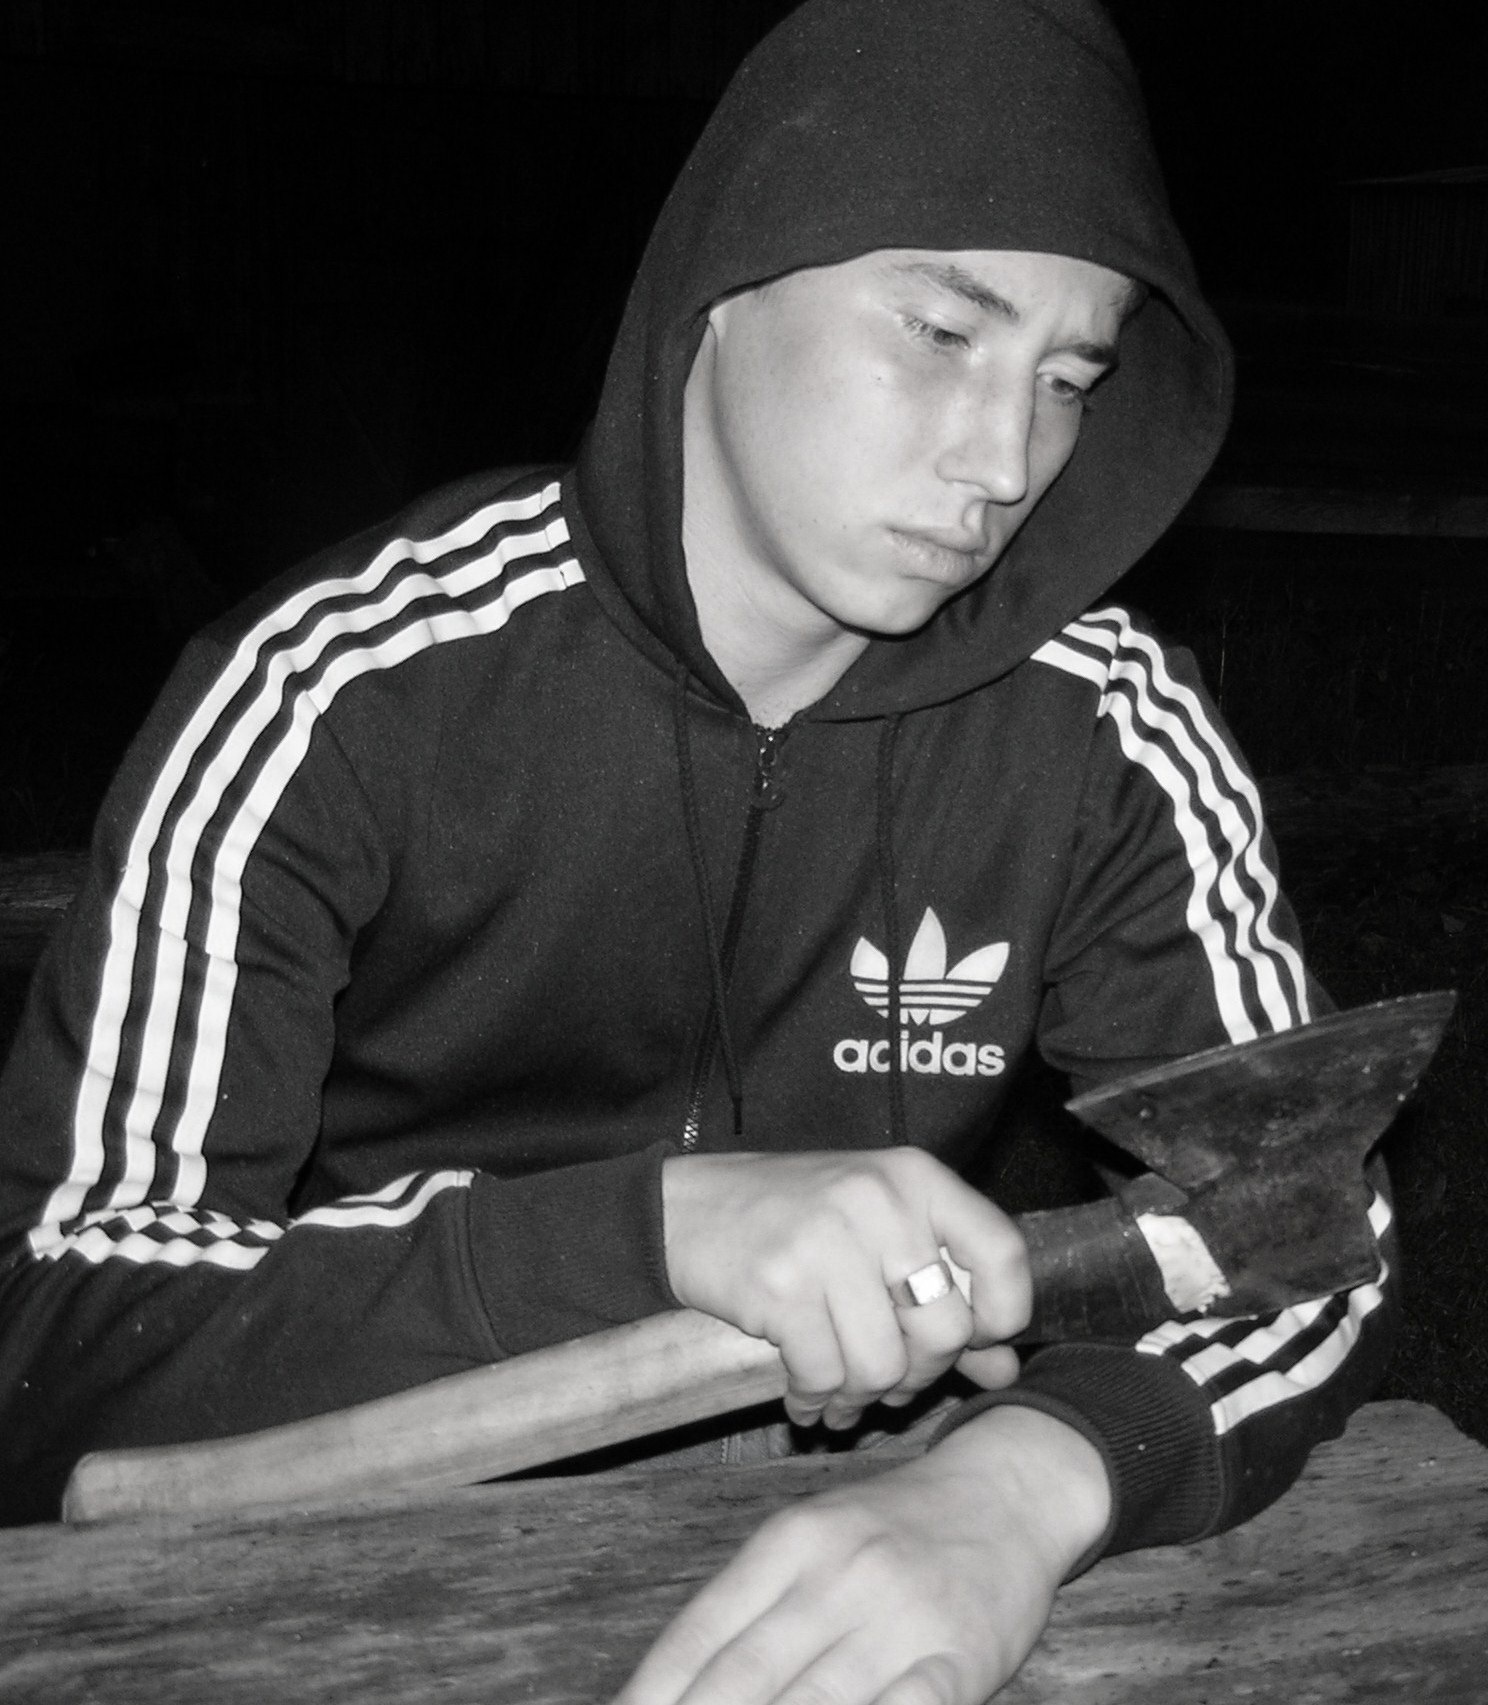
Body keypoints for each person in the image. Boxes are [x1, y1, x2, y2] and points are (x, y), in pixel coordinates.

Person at [0, 0, 1395, 1698]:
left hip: (874, 1498)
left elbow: (1306, 1228)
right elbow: (63, 1341)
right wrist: (653, 1230)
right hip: (361, 1512)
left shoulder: (1101, 729)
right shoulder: (336, 692)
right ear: (726, 286)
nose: (1005, 458)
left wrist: (1014, 1495)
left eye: (1067, 379)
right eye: (942, 331)